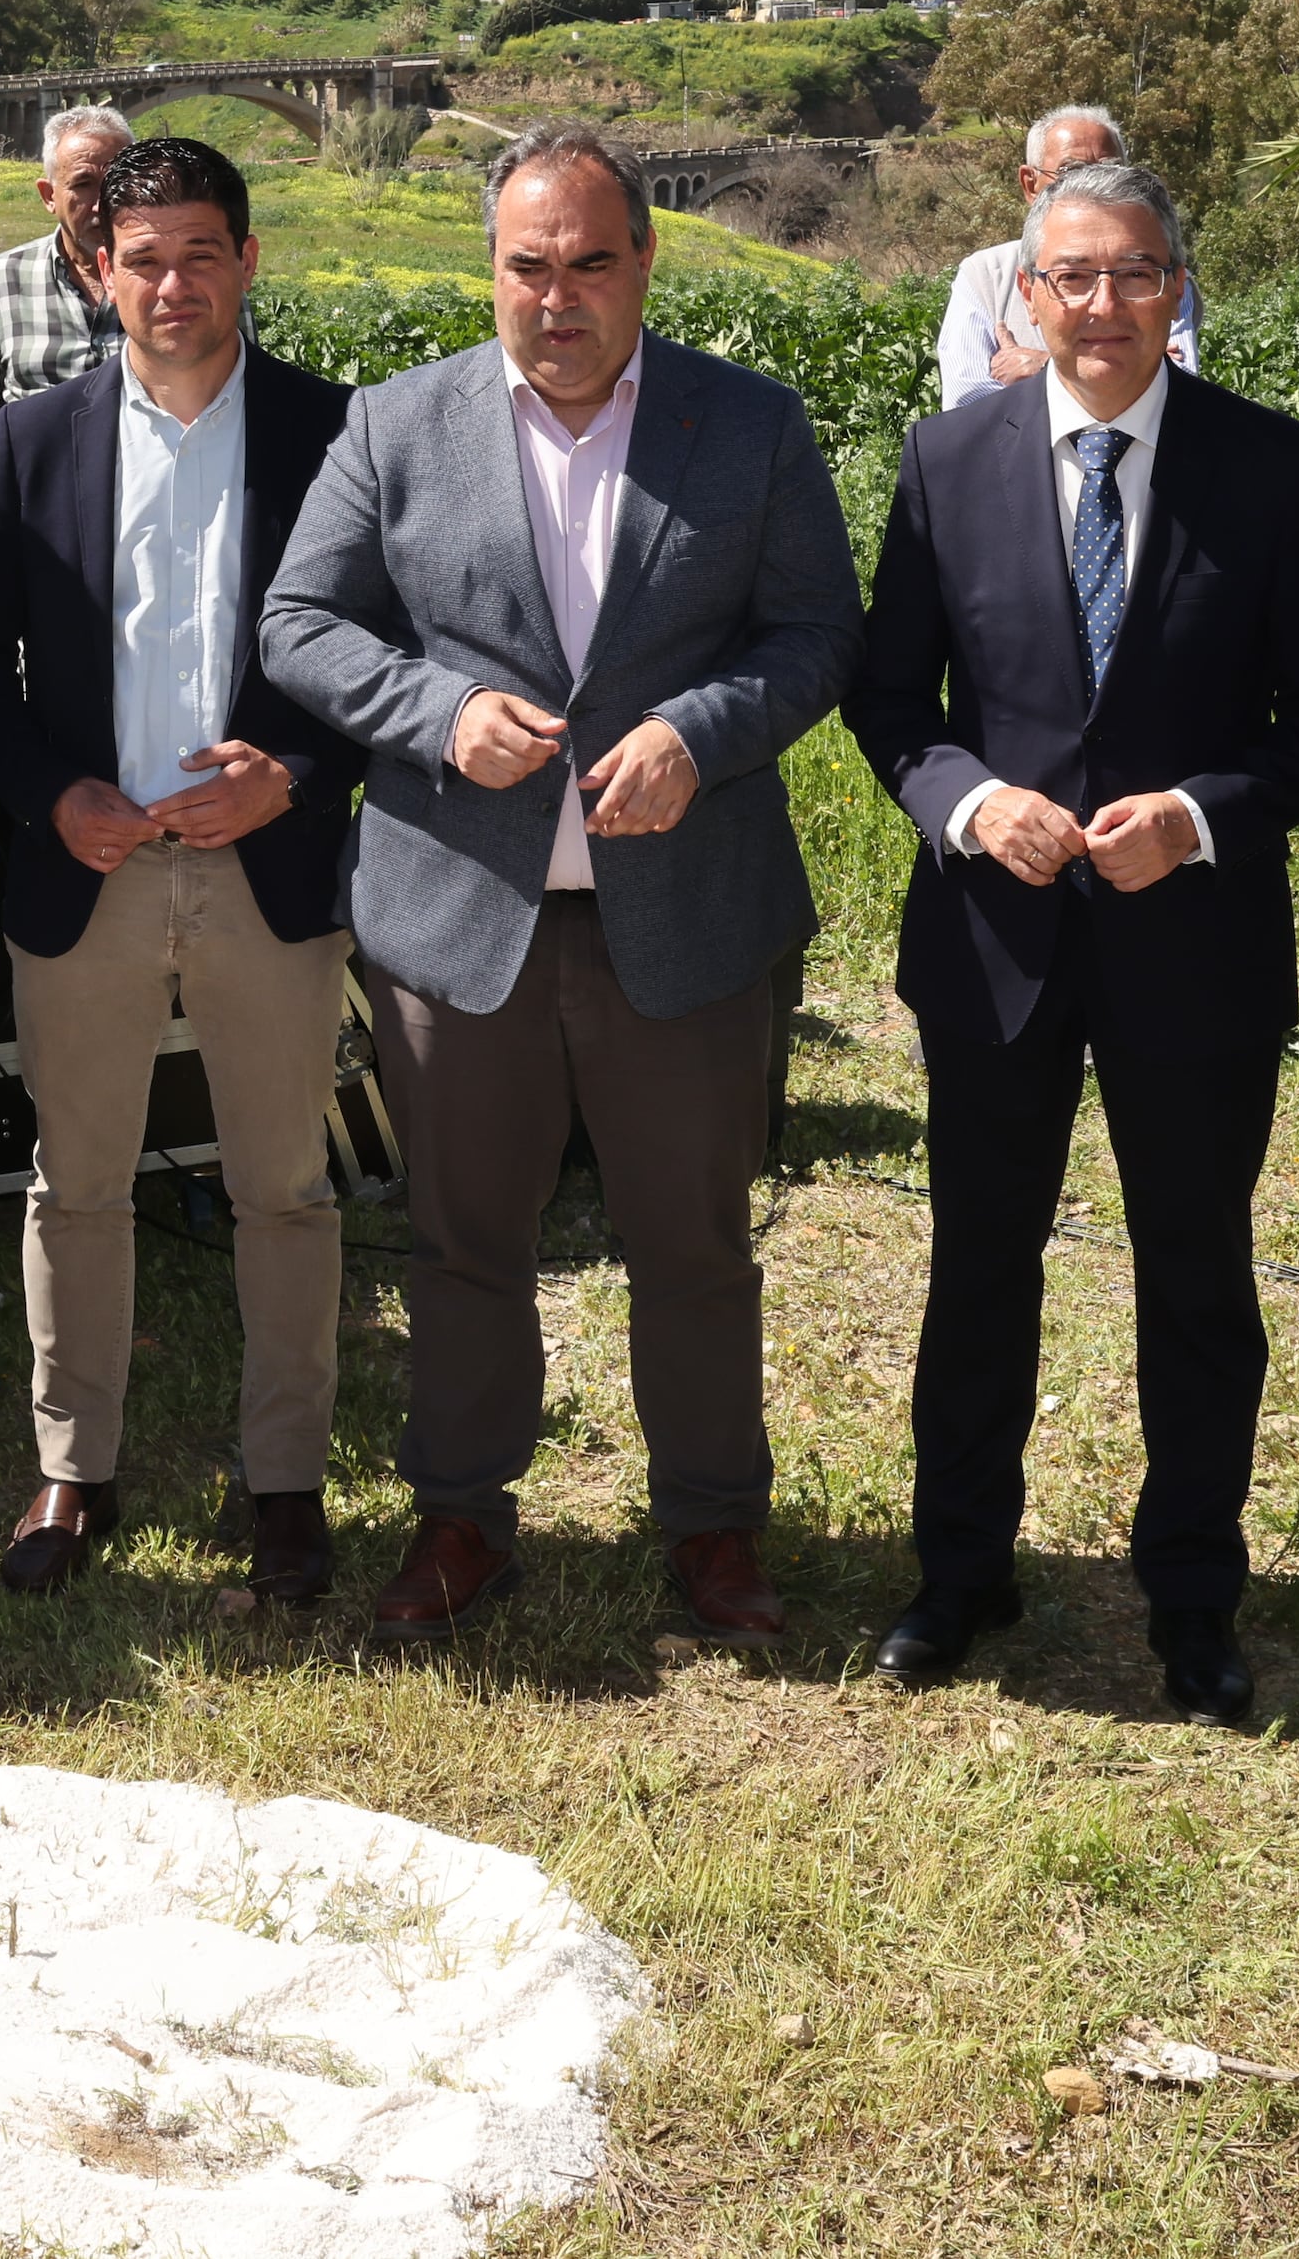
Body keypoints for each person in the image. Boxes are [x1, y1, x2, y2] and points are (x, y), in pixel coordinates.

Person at [263, 123, 865, 1648]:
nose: (559, 295)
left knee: (696, 1244)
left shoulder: (750, 426)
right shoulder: (396, 426)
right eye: (529, 265)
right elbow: (301, 624)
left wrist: (697, 731)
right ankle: (462, 1516)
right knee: (468, 1241)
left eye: (592, 262)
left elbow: (814, 636)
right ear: (492, 270)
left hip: (690, 918)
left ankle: (716, 1530)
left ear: (646, 262)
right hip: (463, 917)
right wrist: (437, 715)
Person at [844, 158, 1299, 1720]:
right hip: (995, 945)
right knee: (981, 1265)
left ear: (1177, 288)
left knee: (1196, 1275)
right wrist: (972, 802)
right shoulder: (947, 459)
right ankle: (959, 1570)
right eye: (1073, 276)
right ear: (1025, 296)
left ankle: (1193, 1589)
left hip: (1192, 948)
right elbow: (888, 703)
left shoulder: (1268, 469)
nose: (1105, 304)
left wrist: (1193, 815)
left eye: (1135, 273)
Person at [0, 136, 360, 1608]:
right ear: (93, 271)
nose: (172, 283)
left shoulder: (334, 432)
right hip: (93, 868)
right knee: (77, 1185)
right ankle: (74, 1466)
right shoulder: (40, 438)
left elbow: (384, 655)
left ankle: (287, 1481)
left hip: (270, 869)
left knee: (286, 1187)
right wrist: (47, 793)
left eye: (201, 252)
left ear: (249, 260)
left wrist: (301, 772)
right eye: (142, 259)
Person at [930, 106, 1199, 409]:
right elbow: (967, 405)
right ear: (1030, 184)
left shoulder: (1157, 268)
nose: (1091, 183)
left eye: (1109, 169)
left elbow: (1182, 388)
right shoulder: (985, 275)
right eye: (1071, 171)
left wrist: (1042, 368)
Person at [0, 103, 133, 443]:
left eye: (117, 180)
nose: (101, 202)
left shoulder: (190, 277)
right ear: (48, 195)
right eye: (83, 184)